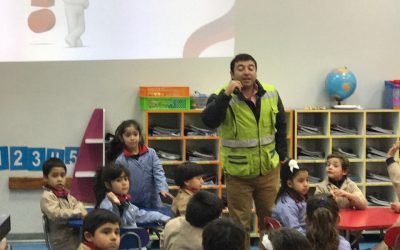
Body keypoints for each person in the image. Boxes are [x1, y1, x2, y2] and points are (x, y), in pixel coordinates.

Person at [201, 53, 287, 249]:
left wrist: (282, 154)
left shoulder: (271, 92)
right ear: (232, 73)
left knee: (271, 219)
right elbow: (209, 121)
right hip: (238, 173)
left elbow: (281, 124)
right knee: (239, 224)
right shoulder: (221, 95)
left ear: (256, 71)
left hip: (268, 170)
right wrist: (226, 95)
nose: (246, 72)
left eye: (251, 68)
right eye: (241, 68)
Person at [106, 119, 173, 208]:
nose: (132, 138)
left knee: (157, 217)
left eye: (135, 134)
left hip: (153, 199)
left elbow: (159, 172)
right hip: (132, 201)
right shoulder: (121, 160)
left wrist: (162, 188)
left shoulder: (151, 153)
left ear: (140, 136)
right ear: (122, 138)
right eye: (128, 135)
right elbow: (119, 182)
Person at [94, 163, 170, 227]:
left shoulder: (126, 202)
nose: (124, 183)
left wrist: (164, 218)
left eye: (126, 179)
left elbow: (141, 215)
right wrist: (114, 202)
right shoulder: (106, 205)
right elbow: (113, 224)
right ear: (107, 185)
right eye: (118, 180)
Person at [40, 157, 87, 250]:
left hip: (74, 235)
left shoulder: (65, 193)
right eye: (55, 175)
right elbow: (56, 213)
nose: (59, 179)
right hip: (61, 241)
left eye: (62, 175)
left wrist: (80, 208)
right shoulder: (47, 196)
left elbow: (77, 203)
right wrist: (77, 212)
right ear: (46, 178)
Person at [271, 159, 309, 234]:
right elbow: (295, 231)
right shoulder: (287, 205)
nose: (306, 184)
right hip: (291, 240)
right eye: (301, 181)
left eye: (307, 180)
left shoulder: (299, 196)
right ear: (289, 184)